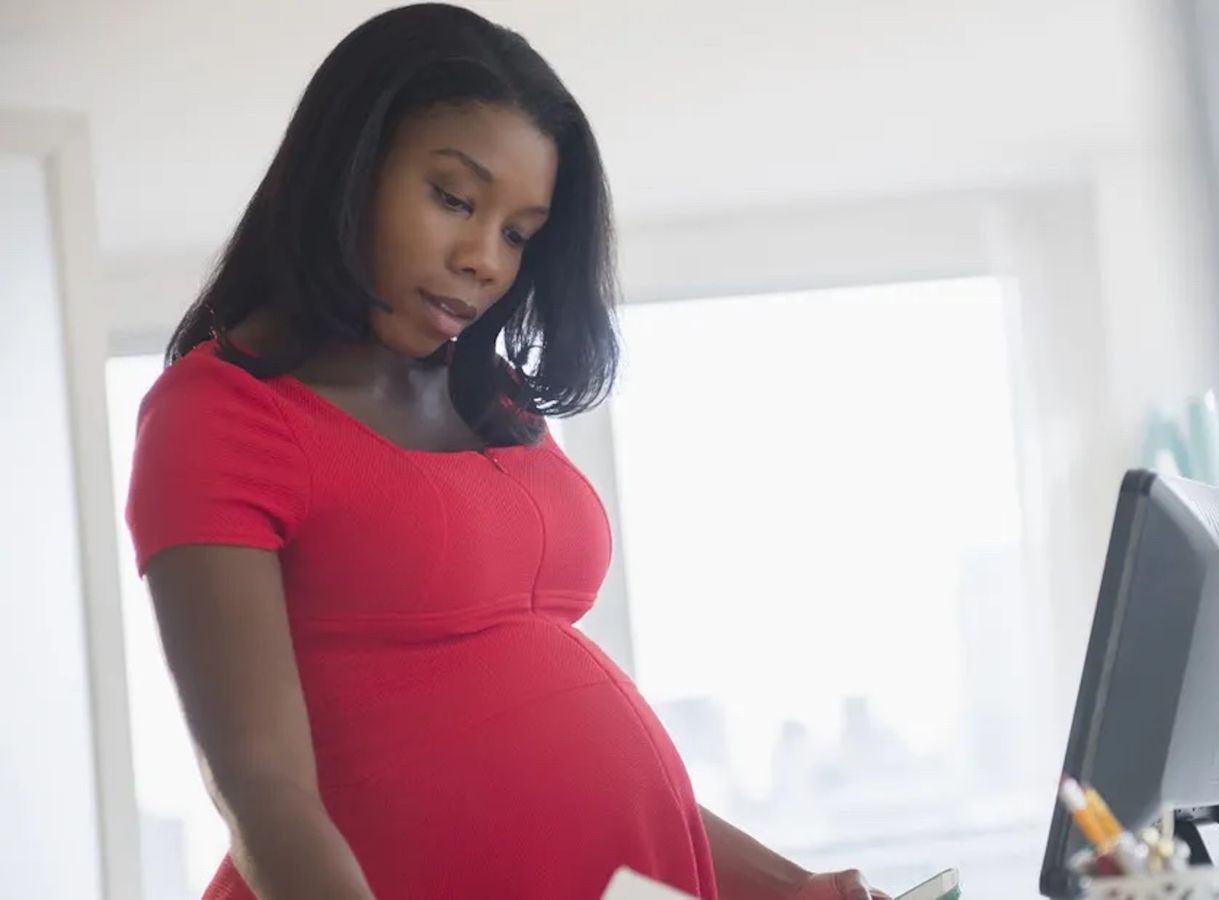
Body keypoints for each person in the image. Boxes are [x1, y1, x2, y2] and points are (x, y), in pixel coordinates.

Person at [125, 5, 890, 898]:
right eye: (454, 198)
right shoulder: (219, 414)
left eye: (519, 233)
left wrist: (791, 889)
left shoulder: (495, 402)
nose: (485, 260)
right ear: (347, 166)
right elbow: (262, 788)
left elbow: (562, 758)